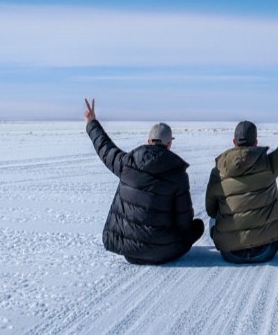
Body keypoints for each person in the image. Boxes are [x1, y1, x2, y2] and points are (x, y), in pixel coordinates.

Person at [205, 88, 278, 264]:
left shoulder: (218, 171)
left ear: (234, 142)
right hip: (265, 251)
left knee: (213, 222)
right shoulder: (268, 165)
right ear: (256, 142)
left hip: (230, 253)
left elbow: (211, 210)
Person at [84, 98, 204, 265]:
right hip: (165, 252)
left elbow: (105, 148)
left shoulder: (127, 163)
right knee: (198, 226)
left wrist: (92, 123)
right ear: (169, 144)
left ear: (149, 141)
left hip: (129, 251)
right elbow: (184, 221)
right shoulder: (178, 174)